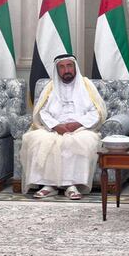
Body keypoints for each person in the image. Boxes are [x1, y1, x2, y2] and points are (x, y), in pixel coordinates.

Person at [20, 54, 106, 199]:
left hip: (81, 129)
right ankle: (49, 185)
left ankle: (71, 185)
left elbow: (97, 111)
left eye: (69, 66)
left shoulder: (86, 85)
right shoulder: (50, 88)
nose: (66, 70)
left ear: (75, 67)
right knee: (37, 139)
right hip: (53, 129)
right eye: (62, 67)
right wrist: (55, 126)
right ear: (57, 70)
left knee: (79, 141)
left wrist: (78, 124)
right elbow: (43, 111)